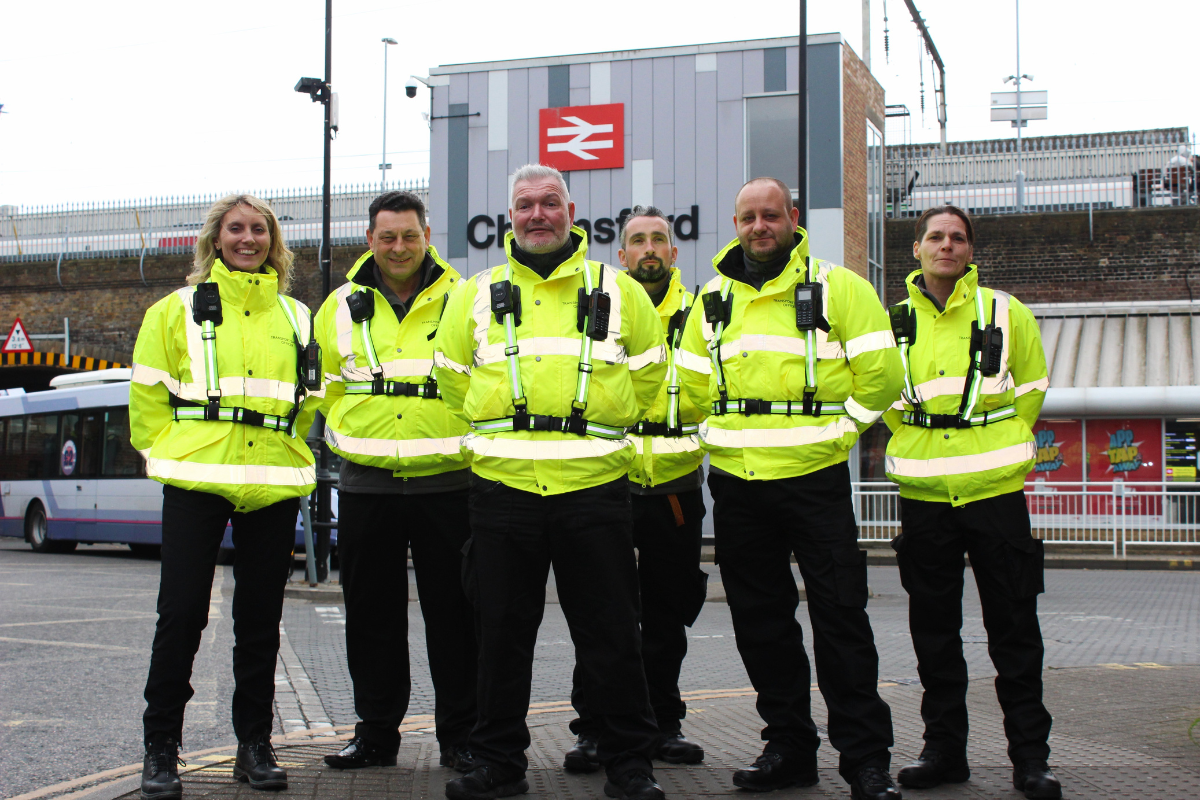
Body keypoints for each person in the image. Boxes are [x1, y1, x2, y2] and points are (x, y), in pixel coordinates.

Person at [434, 164, 669, 800]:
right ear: (510, 216)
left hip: (593, 491)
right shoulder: (475, 294)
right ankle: (498, 765)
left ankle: (630, 766)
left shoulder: (620, 291)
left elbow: (649, 381)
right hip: (503, 493)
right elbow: (453, 380)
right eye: (524, 205)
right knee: (501, 637)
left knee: (613, 637)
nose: (537, 215)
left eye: (548, 203)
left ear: (571, 211)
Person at [676, 177, 904, 800]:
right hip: (739, 487)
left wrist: (839, 436)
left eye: (770, 215)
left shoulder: (841, 288)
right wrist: (716, 438)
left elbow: (883, 377)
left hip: (815, 481)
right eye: (748, 217)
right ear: (735, 223)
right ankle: (789, 747)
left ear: (793, 218)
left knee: (841, 620)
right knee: (761, 623)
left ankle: (865, 759)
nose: (759, 227)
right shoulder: (713, 300)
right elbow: (689, 386)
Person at [131, 194, 324, 798]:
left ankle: (253, 746)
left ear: (273, 241)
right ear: (215, 239)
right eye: (236, 229)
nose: (248, 239)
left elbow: (311, 400)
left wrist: (280, 449)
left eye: (259, 229)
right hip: (197, 479)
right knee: (182, 615)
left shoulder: (297, 316)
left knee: (260, 623)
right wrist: (174, 450)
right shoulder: (174, 310)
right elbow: (147, 399)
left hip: (271, 481)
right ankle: (161, 749)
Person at [884, 205, 1061, 800]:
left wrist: (1001, 443)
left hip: (996, 496)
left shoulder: (1005, 313)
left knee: (1014, 631)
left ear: (970, 250)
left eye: (958, 238)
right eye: (936, 236)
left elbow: (1033, 386)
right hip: (925, 497)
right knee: (934, 635)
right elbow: (884, 395)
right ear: (917, 249)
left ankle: (1031, 760)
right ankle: (944, 753)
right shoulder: (894, 321)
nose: (947, 246)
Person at [315, 191, 478, 774]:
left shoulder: (464, 299)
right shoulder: (336, 306)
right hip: (367, 484)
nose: (399, 247)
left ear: (427, 236)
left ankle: (460, 736)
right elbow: (324, 389)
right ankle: (376, 734)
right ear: (370, 241)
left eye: (409, 236)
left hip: (449, 482)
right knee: (371, 617)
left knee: (456, 618)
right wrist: (351, 432)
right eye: (388, 237)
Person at [563, 206, 709, 773]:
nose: (649, 248)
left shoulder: (701, 316)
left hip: (674, 487)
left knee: (668, 614)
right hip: (607, 484)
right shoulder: (598, 312)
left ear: (674, 252)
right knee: (600, 616)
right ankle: (594, 728)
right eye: (637, 241)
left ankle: (662, 724)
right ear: (619, 257)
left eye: (659, 240)